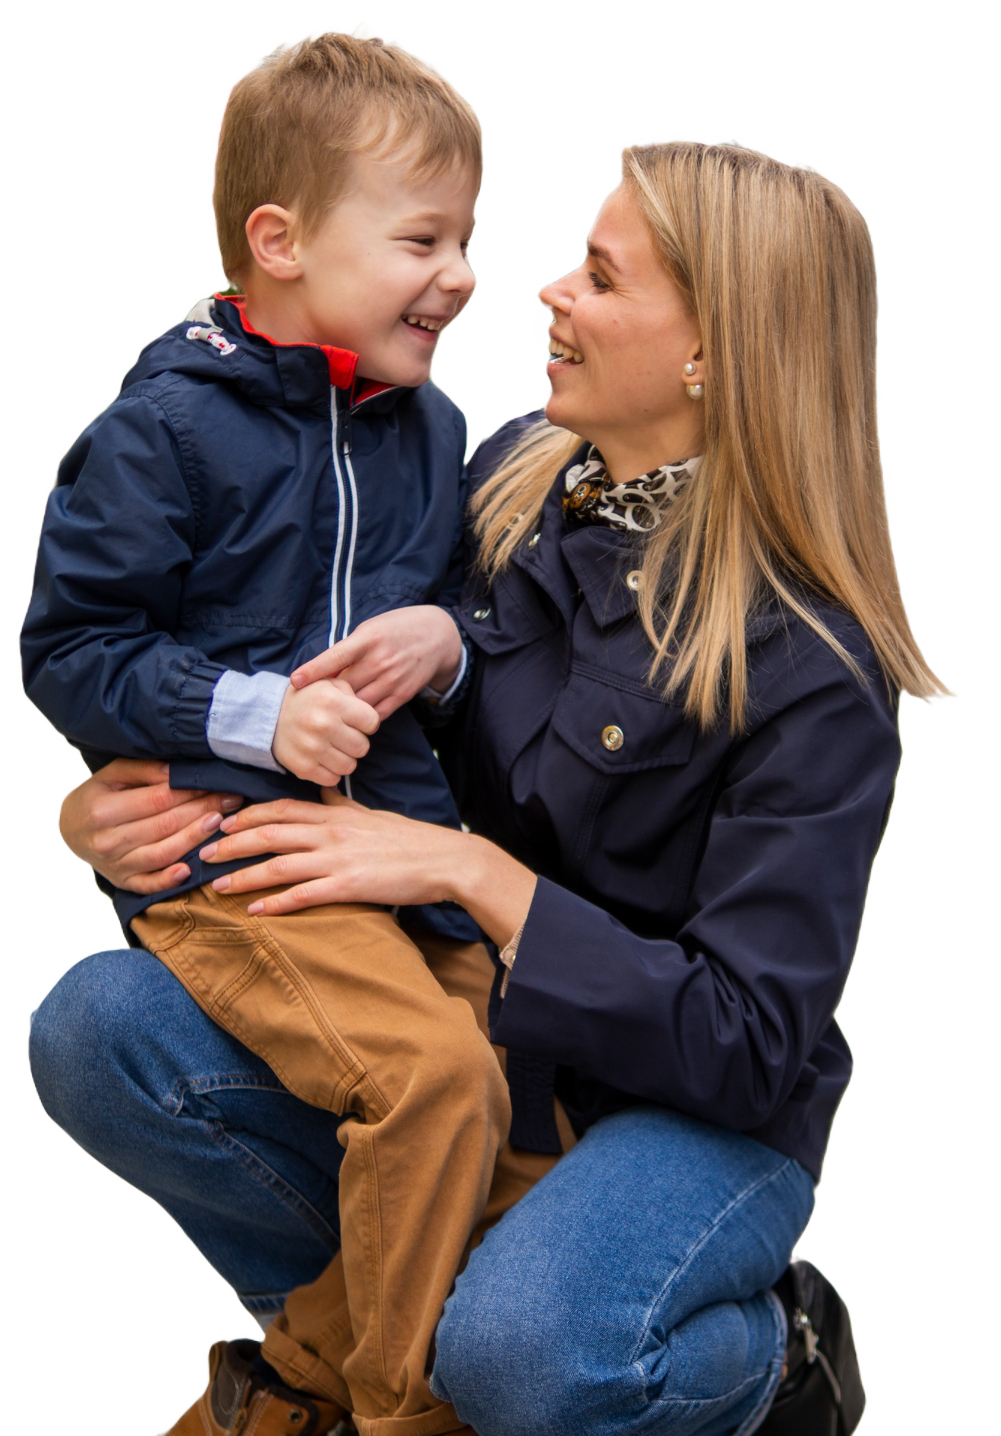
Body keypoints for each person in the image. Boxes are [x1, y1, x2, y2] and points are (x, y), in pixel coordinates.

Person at [32, 140, 944, 1435]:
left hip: (677, 1111)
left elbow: (748, 1045)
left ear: (709, 353)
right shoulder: (512, 479)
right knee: (104, 1028)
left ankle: (769, 1356)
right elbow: (294, 679)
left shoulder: (820, 665)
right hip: (465, 1048)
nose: (547, 293)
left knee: (528, 1350)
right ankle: (356, 1364)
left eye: (601, 277)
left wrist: (477, 876)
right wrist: (114, 808)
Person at [20, 32, 565, 1436]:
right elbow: (70, 651)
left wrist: (445, 638)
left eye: (469, 236)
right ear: (281, 242)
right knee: (433, 1087)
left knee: (518, 1128)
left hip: (394, 851)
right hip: (240, 854)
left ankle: (287, 1392)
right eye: (423, 237)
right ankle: (398, 1411)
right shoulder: (162, 435)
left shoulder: (428, 432)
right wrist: (251, 715)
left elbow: (453, 603)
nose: (462, 273)